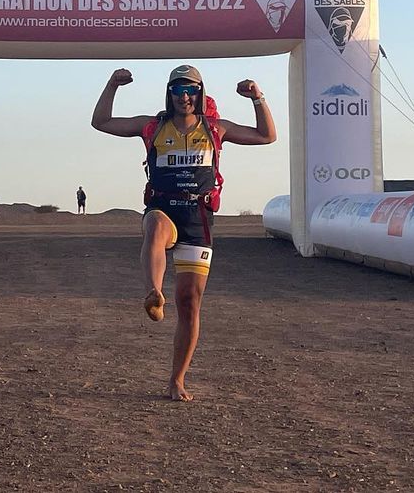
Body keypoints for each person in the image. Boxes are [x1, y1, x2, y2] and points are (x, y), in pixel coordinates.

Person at [91, 64, 277, 401]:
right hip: (164, 206)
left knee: (190, 303)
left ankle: (176, 380)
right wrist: (112, 85)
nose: (184, 96)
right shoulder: (153, 126)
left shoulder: (216, 129)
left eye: (190, 90)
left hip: (198, 218)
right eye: (178, 90)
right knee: (155, 226)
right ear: (170, 93)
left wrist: (257, 98)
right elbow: (101, 122)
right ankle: (153, 293)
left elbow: (266, 135)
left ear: (200, 93)